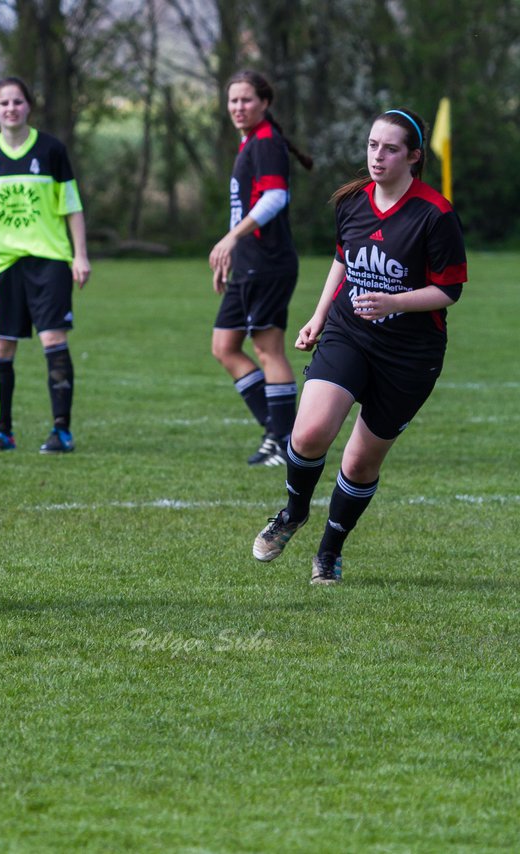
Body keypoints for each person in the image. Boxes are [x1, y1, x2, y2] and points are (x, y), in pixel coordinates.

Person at [252, 108, 467, 584]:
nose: (378, 156)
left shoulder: (435, 214)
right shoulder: (351, 201)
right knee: (308, 434)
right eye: (372, 145)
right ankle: (293, 513)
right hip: (350, 333)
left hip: (410, 355)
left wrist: (395, 300)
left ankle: (329, 551)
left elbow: (448, 291)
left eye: (390, 149)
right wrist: (319, 314)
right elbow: (342, 260)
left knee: (360, 460)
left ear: (413, 157)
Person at [0, 77, 89, 454]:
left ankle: (61, 431)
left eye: (18, 102)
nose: (11, 108)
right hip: (1, 265)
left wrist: (80, 254)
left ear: (28, 106)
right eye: (4, 103)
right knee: (1, 349)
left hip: (50, 261)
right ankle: (3, 431)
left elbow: (72, 207)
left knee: (53, 339)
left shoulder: (51, 150)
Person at [208, 70, 313, 467]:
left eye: (246, 100)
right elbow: (247, 206)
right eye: (233, 100)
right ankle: (278, 433)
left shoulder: (267, 142)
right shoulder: (251, 141)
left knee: (267, 349)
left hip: (269, 263)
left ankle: (284, 441)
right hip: (248, 264)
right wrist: (231, 251)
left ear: (265, 103)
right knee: (224, 346)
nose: (238, 107)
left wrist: (231, 238)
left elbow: (275, 198)